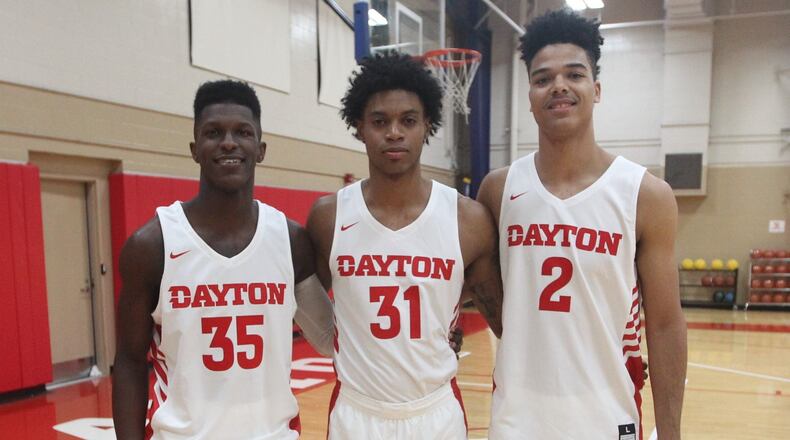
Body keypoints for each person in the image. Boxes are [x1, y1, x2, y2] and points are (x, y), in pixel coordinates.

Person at [477, 9, 687, 440]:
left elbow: (665, 325)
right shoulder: (499, 190)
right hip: (517, 418)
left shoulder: (645, 194)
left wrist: (670, 432)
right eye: (542, 78)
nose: (558, 86)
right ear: (530, 95)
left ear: (596, 89)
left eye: (574, 74)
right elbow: (485, 290)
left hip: (607, 415)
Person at [112, 80, 334, 440]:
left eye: (242, 132)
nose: (229, 142)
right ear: (194, 149)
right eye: (213, 132)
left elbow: (328, 336)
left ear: (260, 149)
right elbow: (129, 361)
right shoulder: (152, 245)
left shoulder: (291, 241)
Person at [306, 52, 503, 440]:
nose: (394, 132)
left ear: (426, 126)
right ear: (359, 127)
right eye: (380, 121)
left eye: (408, 121)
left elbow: (503, 321)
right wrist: (345, 346)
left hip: (435, 412)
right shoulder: (329, 217)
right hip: (356, 412)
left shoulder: (468, 220)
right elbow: (304, 298)